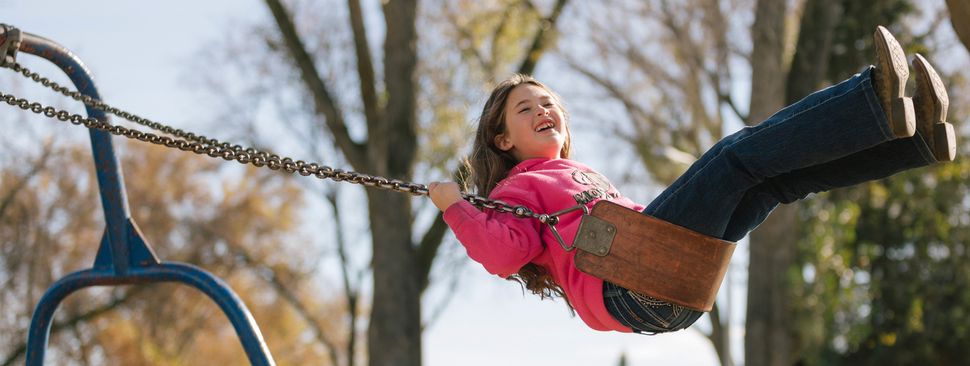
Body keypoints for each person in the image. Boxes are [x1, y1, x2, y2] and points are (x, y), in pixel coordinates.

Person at [427, 26, 957, 334]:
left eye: (549, 103)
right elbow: (503, 255)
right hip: (633, 286)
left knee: (770, 184)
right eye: (525, 109)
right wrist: (456, 206)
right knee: (734, 156)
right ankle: (873, 100)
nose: (543, 110)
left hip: (674, 287)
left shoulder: (576, 174)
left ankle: (910, 141)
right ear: (502, 140)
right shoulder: (512, 191)